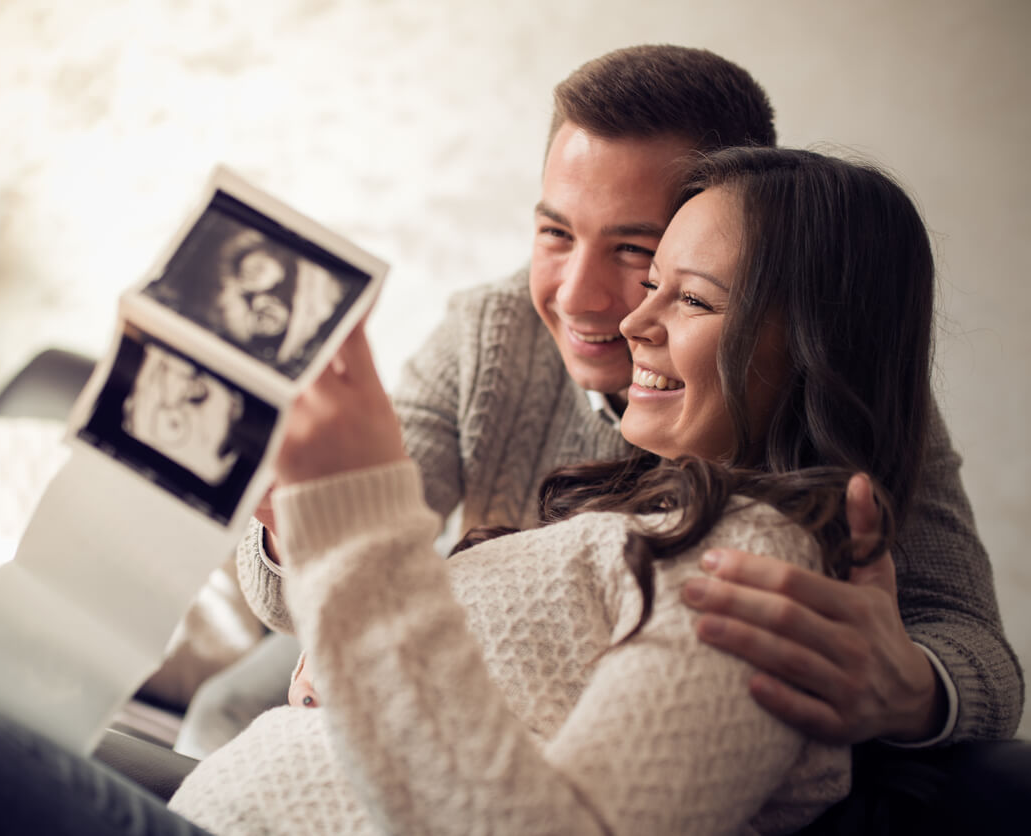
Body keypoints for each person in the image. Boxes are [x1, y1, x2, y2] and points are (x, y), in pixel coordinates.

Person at [0, 145, 945, 834]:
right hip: (211, 802)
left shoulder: (765, 574)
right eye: (556, 232)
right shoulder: (614, 496)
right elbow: (332, 620)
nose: (622, 313)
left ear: (814, 339)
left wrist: (370, 536)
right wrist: (306, 516)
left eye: (679, 293)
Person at [236, 44, 1023, 747]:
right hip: (419, 667)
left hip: (491, 727)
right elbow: (344, 557)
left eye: (638, 253)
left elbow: (974, 651)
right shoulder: (490, 332)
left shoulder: (830, 402)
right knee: (226, 709)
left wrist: (912, 687)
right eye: (554, 234)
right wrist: (295, 531)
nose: (579, 298)